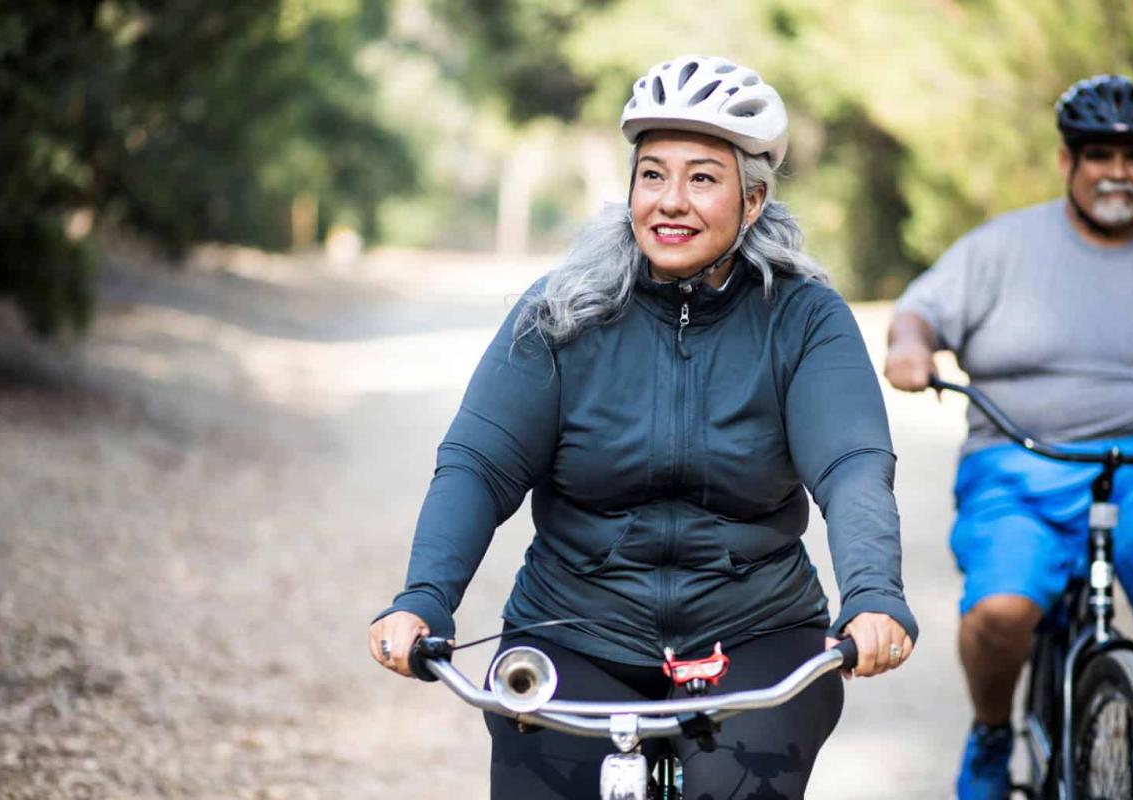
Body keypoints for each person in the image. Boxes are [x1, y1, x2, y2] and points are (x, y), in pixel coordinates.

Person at [371, 54, 919, 799]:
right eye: (652, 174)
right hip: (575, 627)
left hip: (754, 633)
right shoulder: (560, 310)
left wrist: (873, 595)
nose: (671, 200)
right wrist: (423, 598)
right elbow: (478, 464)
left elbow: (852, 465)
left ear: (752, 200)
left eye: (702, 178)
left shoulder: (804, 317)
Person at [884, 74, 1133, 799]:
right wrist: (910, 349)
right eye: (1099, 156)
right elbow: (918, 313)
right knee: (1001, 612)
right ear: (1067, 163)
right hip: (1021, 467)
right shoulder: (1001, 247)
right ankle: (992, 733)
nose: (1118, 173)